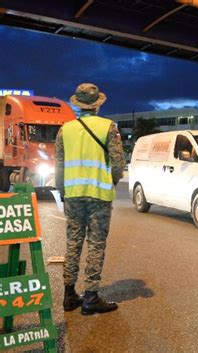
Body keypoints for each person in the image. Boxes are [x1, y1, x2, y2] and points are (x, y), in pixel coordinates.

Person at [55, 83, 125, 315]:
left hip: (73, 194)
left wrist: (62, 191)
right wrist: (112, 181)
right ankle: (91, 297)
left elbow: (60, 165)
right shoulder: (108, 127)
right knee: (96, 243)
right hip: (98, 195)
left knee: (73, 242)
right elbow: (118, 162)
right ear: (97, 105)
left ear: (77, 104)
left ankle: (69, 295)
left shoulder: (65, 130)